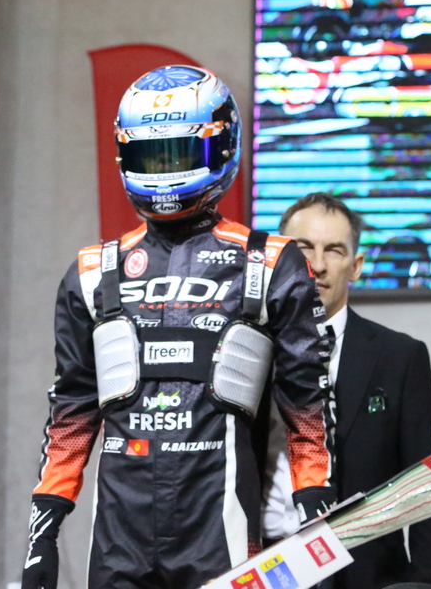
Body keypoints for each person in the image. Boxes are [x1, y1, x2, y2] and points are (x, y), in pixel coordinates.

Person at [21, 65, 337, 589]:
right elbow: (70, 410)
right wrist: (44, 531)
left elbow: (307, 405)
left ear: (222, 144)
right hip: (119, 534)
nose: (165, 172)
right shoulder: (93, 271)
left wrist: (315, 506)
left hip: (218, 525)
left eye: (180, 153)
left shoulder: (268, 263)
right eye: (151, 156)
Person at [263, 192, 431, 589]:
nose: (317, 265)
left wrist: (425, 585)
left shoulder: (400, 357)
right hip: (257, 570)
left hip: (369, 577)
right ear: (277, 259)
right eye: (303, 248)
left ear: (356, 266)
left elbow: (430, 487)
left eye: (333, 250)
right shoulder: (244, 352)